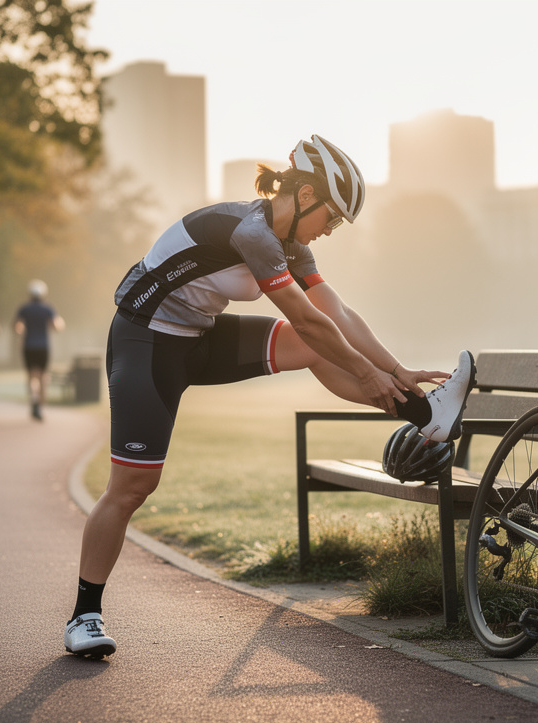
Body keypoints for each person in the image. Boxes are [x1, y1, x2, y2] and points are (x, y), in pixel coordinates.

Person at [65, 135, 475, 658]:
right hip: (146, 339)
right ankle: (84, 614)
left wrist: (396, 370)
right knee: (132, 487)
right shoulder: (252, 232)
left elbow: (339, 315)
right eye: (332, 216)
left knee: (316, 346)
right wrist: (368, 376)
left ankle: (428, 416)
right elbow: (305, 317)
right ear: (305, 196)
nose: (332, 229)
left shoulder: (292, 245)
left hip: (201, 336)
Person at [15, 279, 65, 421]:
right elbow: (57, 325)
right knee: (43, 377)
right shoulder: (48, 308)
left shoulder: (24, 308)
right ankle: (40, 406)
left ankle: (34, 399)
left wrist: (22, 331)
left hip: (28, 346)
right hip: (43, 347)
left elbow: (17, 327)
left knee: (32, 376)